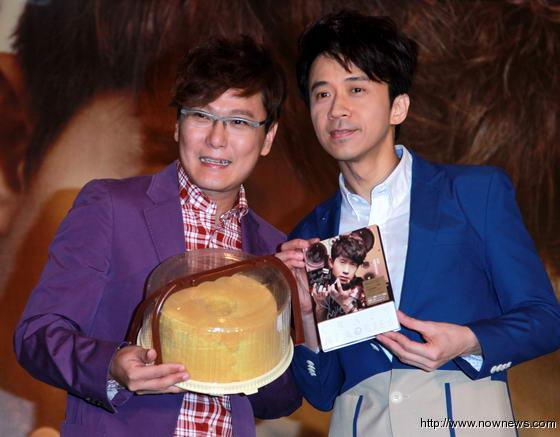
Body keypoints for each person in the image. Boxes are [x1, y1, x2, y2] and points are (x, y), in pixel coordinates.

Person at [277, 10, 560, 436]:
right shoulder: (309, 237)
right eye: (322, 94)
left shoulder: (473, 193)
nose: (337, 109)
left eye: (356, 89)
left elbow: (545, 319)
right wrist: (304, 315)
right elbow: (322, 391)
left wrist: (469, 340)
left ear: (398, 107)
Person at [14, 36, 301, 437]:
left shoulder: (273, 248)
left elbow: (277, 400)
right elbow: (37, 336)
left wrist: (301, 319)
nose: (217, 138)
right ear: (177, 124)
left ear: (267, 137)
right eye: (200, 115)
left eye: (239, 122)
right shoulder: (110, 207)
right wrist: (112, 366)